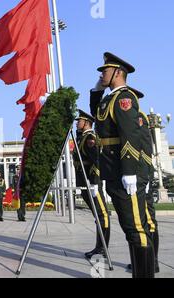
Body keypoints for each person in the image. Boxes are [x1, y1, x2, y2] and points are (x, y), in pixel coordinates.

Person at [90, 52, 155, 278]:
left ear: (118, 72)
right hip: (113, 170)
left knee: (137, 228)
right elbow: (97, 116)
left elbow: (129, 135)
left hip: (125, 170)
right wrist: (98, 89)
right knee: (129, 228)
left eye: (105, 71)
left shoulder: (125, 98)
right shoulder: (110, 99)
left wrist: (129, 172)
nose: (102, 74)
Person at [126, 87, 160, 273]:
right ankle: (146, 260)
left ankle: (152, 261)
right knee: (143, 219)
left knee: (148, 219)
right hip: (139, 171)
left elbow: (145, 147)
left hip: (142, 172)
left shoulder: (139, 117)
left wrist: (145, 174)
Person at [73, 110, 110, 259]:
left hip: (92, 182)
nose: (77, 123)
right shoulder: (82, 137)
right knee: (98, 215)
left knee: (102, 215)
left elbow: (97, 160)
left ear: (86, 122)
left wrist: (95, 183)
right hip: (85, 183)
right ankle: (99, 247)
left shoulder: (90, 137)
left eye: (79, 121)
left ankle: (102, 248)